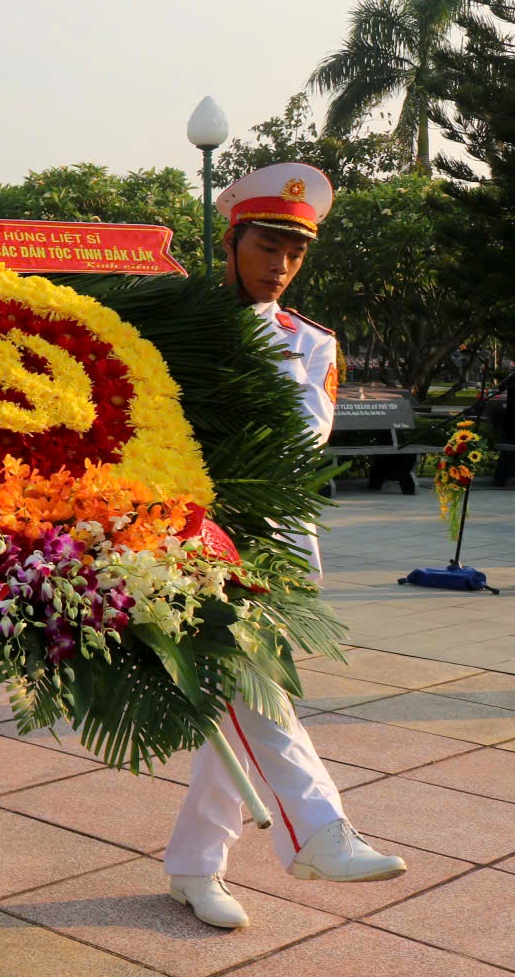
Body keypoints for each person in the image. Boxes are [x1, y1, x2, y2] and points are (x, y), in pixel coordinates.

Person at [163, 162, 406, 928]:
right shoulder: (175, 323)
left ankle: (195, 864)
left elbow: (296, 436)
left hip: (277, 545)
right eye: (267, 246)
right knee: (248, 689)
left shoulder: (309, 342)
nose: (280, 264)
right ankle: (317, 828)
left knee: (241, 703)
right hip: (187, 537)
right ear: (231, 240)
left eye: (294, 253)